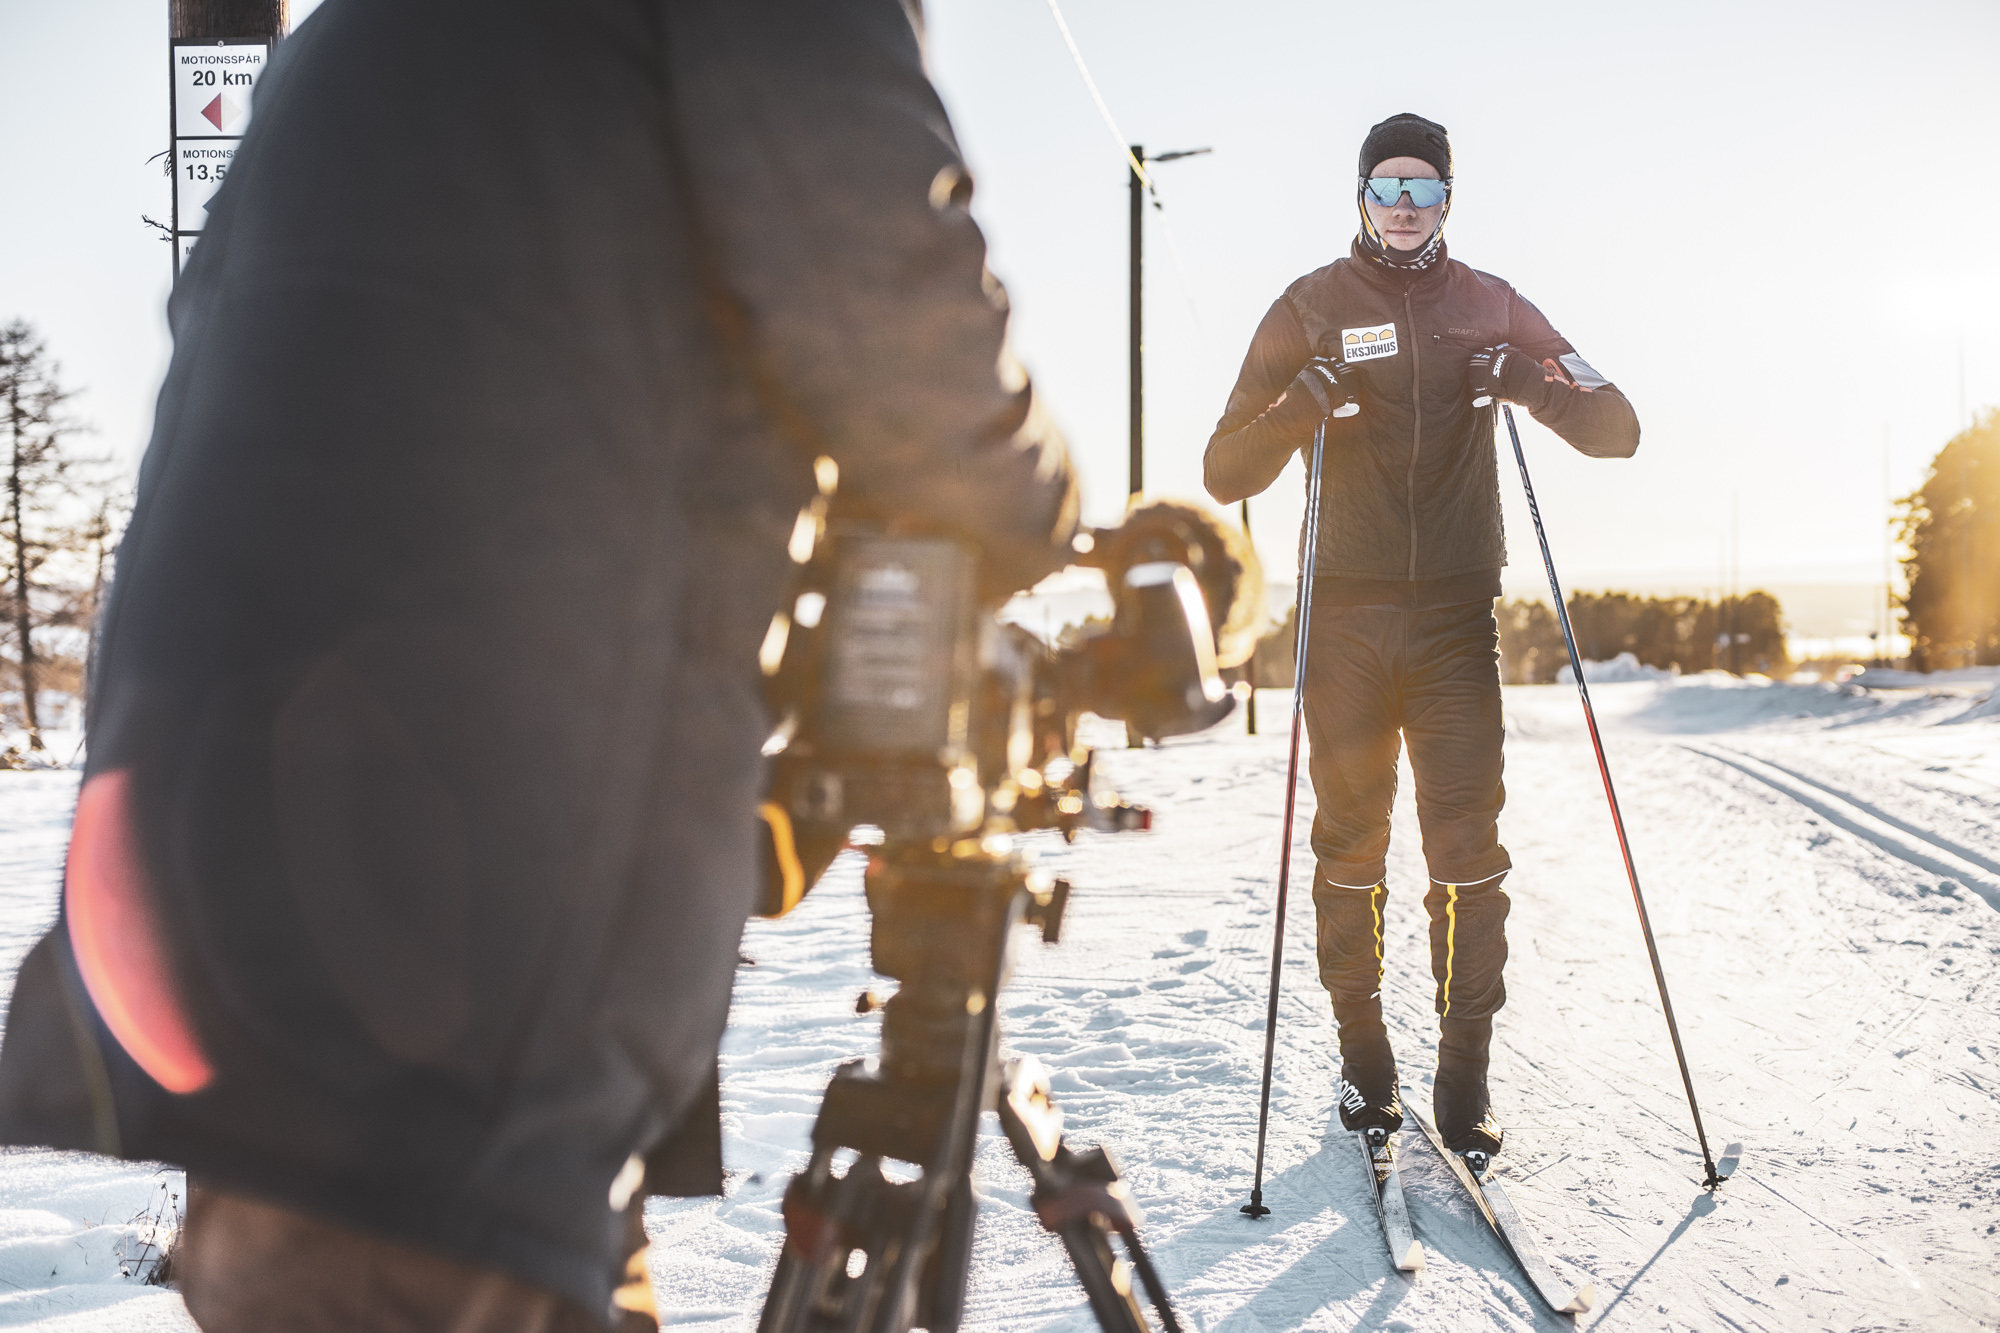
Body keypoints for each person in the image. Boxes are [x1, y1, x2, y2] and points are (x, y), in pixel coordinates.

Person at [0, 2, 1077, 1329]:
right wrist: (1072, 527)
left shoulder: (373, 34)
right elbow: (894, 328)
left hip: (243, 861)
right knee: (415, 1262)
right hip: (447, 921)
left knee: (364, 1256)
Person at [1204, 113, 1639, 1157]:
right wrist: (1300, 405)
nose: (1405, 206)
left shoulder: (1491, 303)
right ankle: (1364, 1061)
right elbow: (1224, 469)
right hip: (1343, 624)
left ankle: (1463, 1072)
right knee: (1349, 845)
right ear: (1360, 195)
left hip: (1453, 621)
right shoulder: (1307, 306)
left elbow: (1617, 427)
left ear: (1448, 198)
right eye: (1387, 186)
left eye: (1424, 187)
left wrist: (1527, 383)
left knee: (1466, 851)